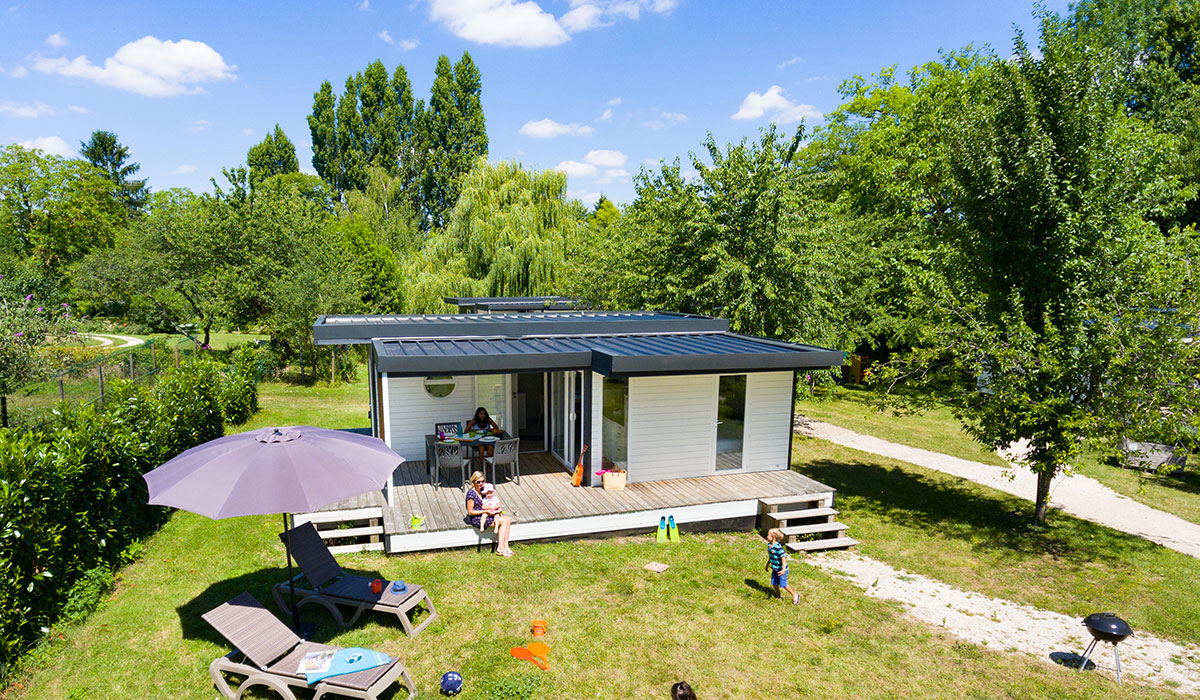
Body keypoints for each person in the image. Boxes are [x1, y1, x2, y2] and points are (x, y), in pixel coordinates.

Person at [466, 471, 513, 556]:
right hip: (478, 517)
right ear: (473, 482)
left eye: (483, 481)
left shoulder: (483, 490)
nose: (481, 484)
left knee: (507, 519)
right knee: (503, 521)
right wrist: (485, 511)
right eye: (478, 482)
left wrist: (496, 509)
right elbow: (470, 512)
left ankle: (506, 547)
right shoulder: (471, 495)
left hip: (488, 513)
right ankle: (500, 548)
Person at [765, 528, 799, 605]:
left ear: (773, 537)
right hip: (775, 569)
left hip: (782, 569)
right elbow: (771, 557)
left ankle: (795, 595)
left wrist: (783, 569)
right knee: (774, 583)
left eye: (768, 535)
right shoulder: (769, 546)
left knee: (783, 585)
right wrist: (767, 565)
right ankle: (778, 595)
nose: (767, 536)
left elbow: (783, 558)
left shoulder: (778, 547)